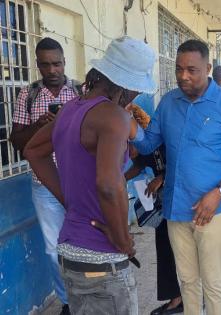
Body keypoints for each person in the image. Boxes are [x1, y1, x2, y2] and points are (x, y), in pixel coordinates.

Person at [24, 36, 157, 315]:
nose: (135, 96)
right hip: (103, 259)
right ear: (127, 84)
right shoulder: (114, 117)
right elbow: (109, 185)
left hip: (70, 254)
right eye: (136, 90)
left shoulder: (71, 109)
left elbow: (33, 150)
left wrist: (69, 199)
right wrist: (122, 239)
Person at [133, 39, 221, 315]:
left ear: (208, 68)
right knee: (187, 281)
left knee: (213, 283)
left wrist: (219, 192)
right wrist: (129, 127)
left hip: (213, 210)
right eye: (178, 69)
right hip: (177, 209)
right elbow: (149, 144)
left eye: (191, 70)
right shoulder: (169, 102)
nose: (183, 76)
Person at [10, 37, 82, 315]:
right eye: (45, 65)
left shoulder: (79, 92)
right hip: (44, 186)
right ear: (37, 65)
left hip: (78, 182)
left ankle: (84, 297)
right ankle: (68, 302)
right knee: (54, 250)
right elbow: (17, 141)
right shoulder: (27, 96)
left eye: (57, 64)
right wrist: (40, 126)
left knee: (82, 244)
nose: (52, 70)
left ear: (64, 62)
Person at [125, 106, 184, 315]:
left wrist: (162, 177)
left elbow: (185, 163)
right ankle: (176, 297)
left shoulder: (166, 141)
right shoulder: (143, 148)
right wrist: (118, 179)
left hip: (182, 201)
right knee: (165, 248)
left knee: (181, 250)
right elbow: (138, 166)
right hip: (165, 203)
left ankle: (185, 296)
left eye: (131, 143)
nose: (130, 149)